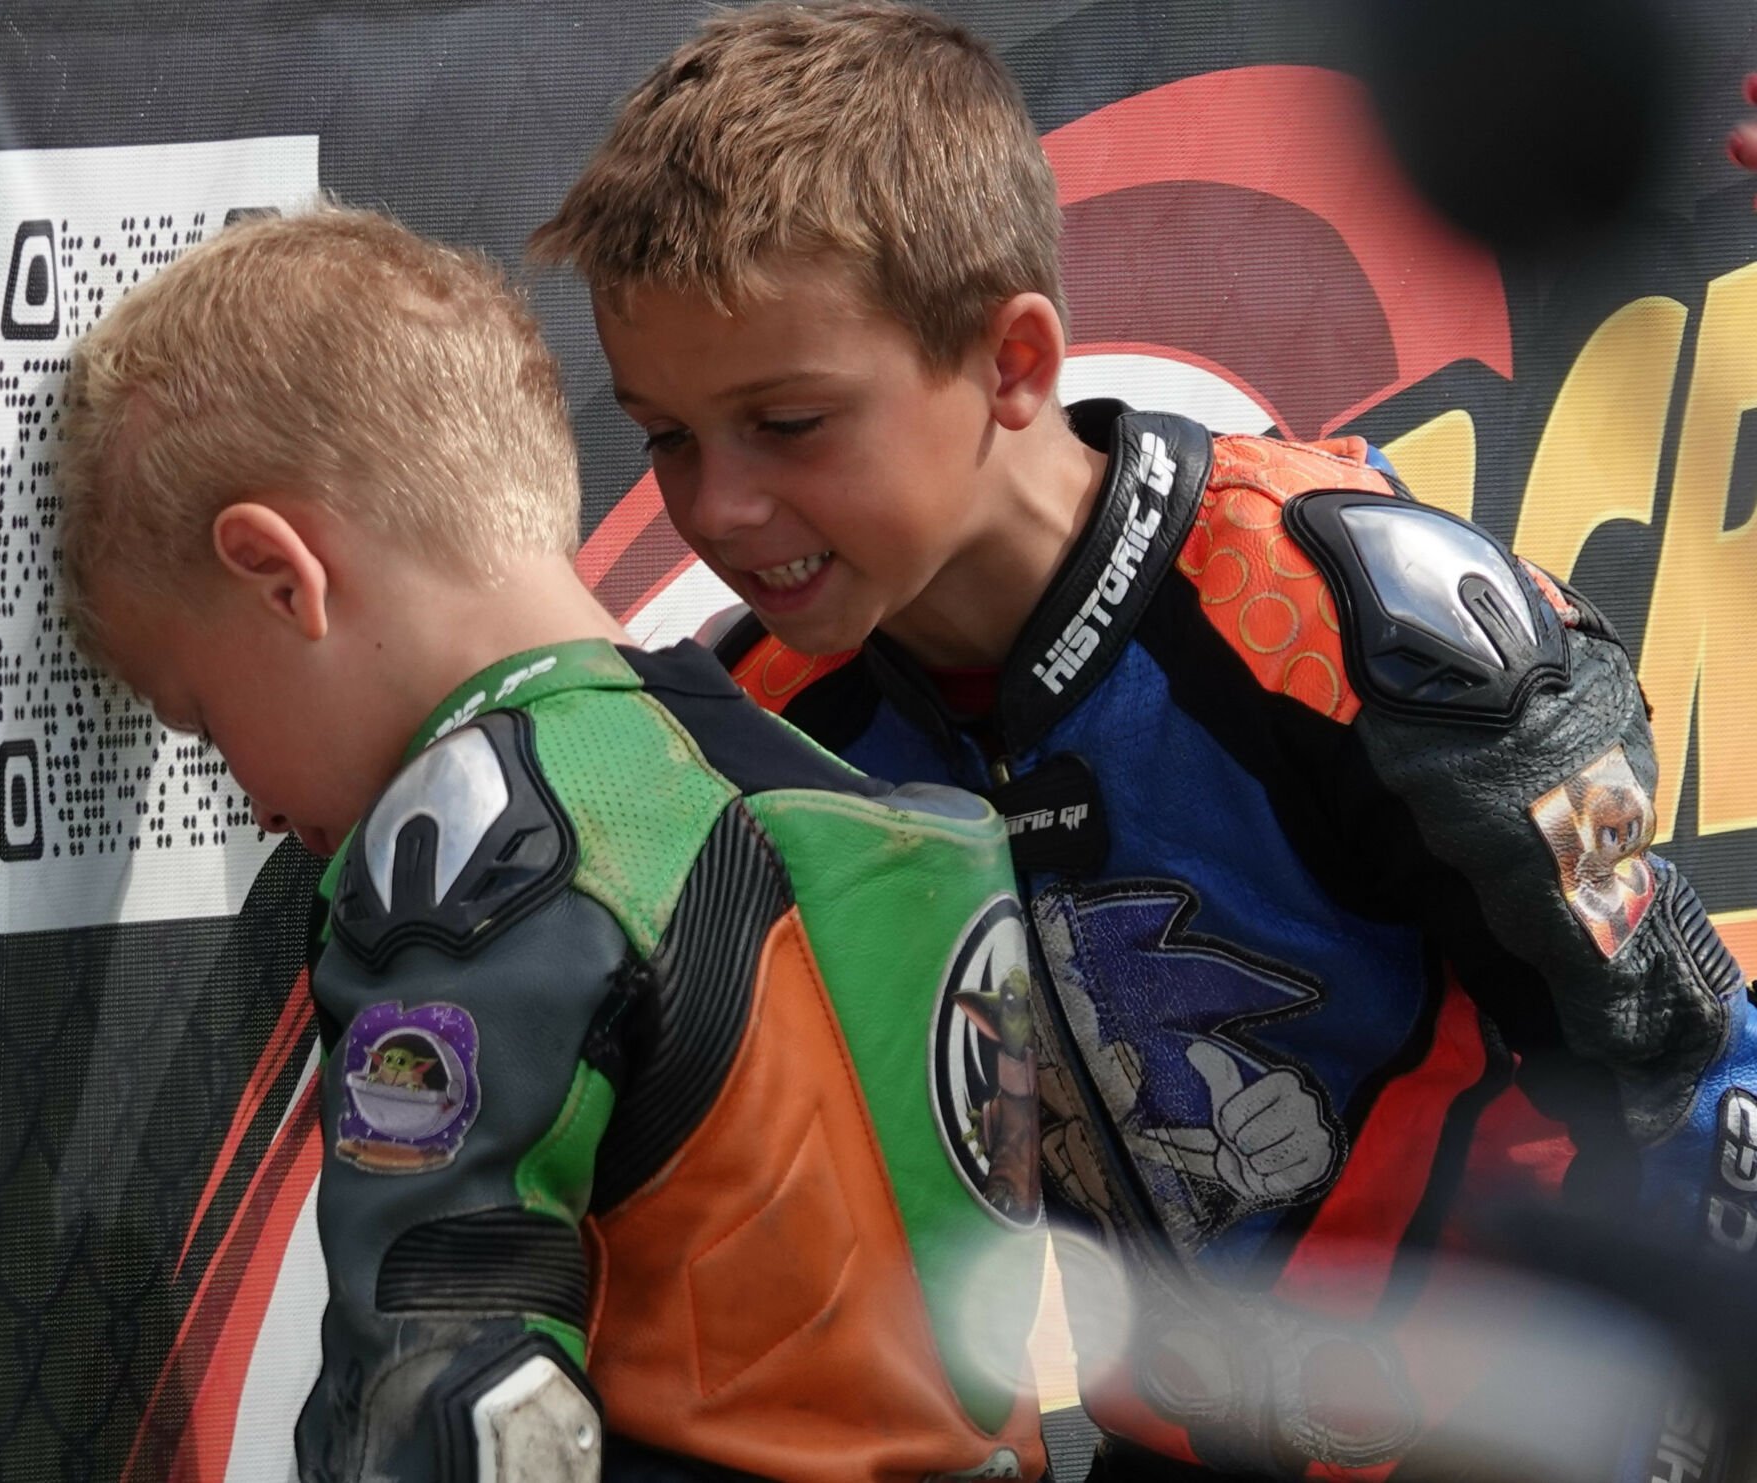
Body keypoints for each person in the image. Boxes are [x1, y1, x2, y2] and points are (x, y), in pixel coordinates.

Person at [530, 5, 1757, 1477]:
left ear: (1012, 363)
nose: (716, 507)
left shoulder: (1351, 609)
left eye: (787, 421)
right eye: (665, 437)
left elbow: (1680, 1052)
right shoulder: (763, 725)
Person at [55, 205, 1051, 1483]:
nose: (245, 800)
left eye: (204, 717)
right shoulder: (865, 798)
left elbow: (446, 1378)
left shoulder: (478, 855)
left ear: (277, 575)